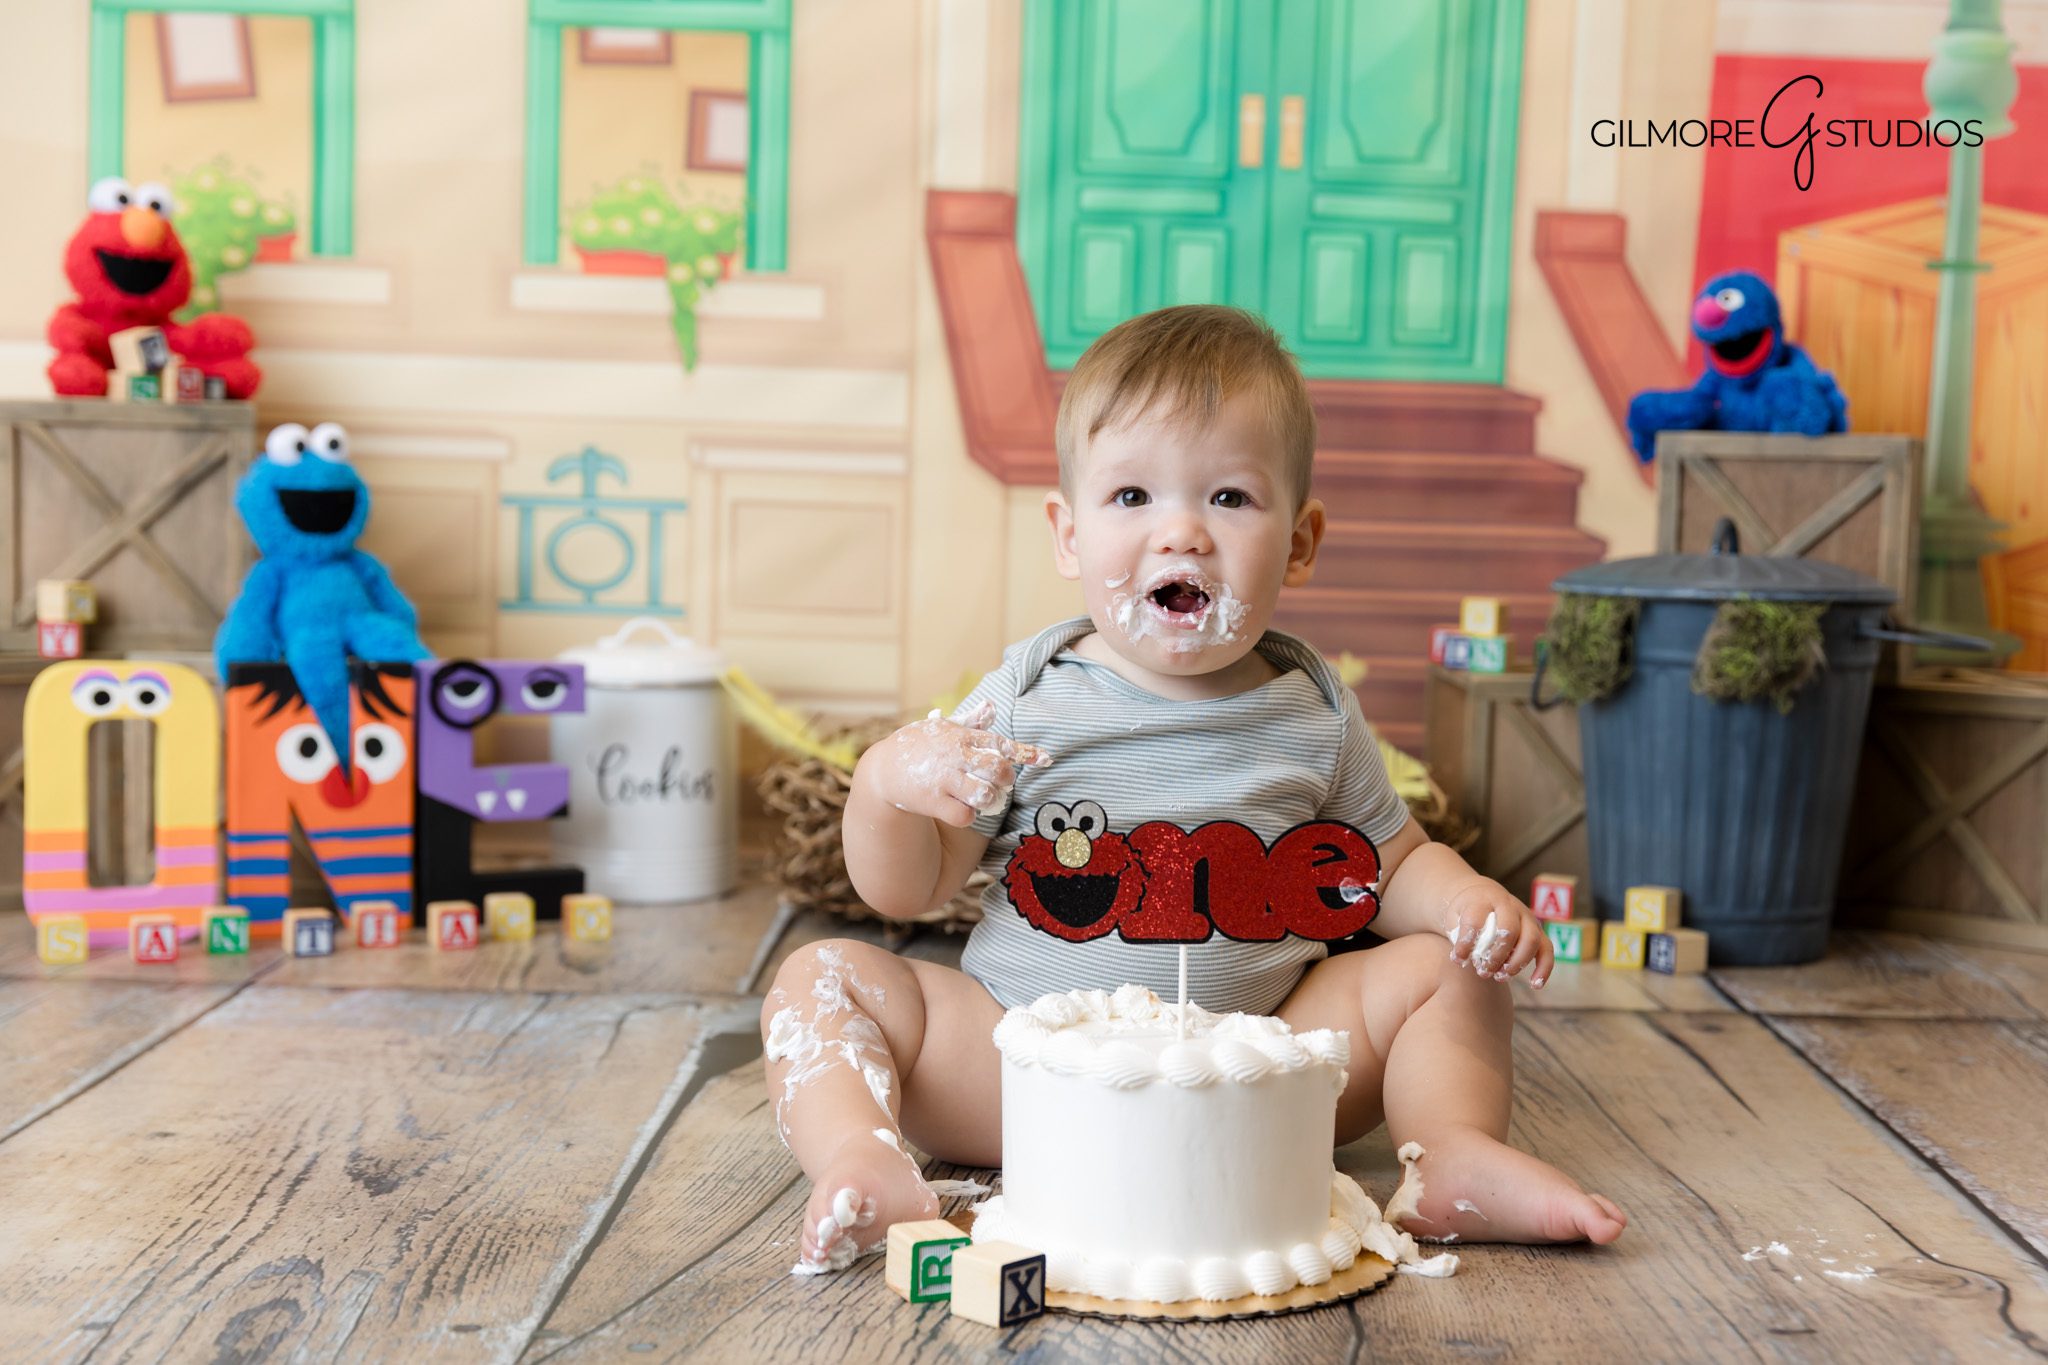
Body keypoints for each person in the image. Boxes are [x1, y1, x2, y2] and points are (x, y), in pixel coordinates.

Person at [763, 305, 1629, 1275]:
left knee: (1447, 966)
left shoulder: (1310, 708)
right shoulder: (1022, 701)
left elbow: (1386, 868)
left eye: (1227, 498)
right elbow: (905, 893)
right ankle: (861, 1159)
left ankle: (1451, 1157)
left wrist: (1464, 900)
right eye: (1130, 496)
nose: (1180, 532)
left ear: (1298, 543)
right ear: (1067, 532)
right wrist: (887, 788)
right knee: (822, 975)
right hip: (1025, 1079)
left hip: (1258, 1075)